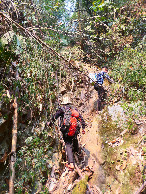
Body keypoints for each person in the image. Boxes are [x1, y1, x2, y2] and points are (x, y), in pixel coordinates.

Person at [47, 94, 86, 171]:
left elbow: (55, 117)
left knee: (68, 144)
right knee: (75, 138)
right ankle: (77, 151)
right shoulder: (74, 109)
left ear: (63, 103)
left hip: (66, 131)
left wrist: (50, 123)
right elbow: (81, 118)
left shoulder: (62, 109)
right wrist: (83, 127)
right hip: (75, 129)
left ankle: (71, 163)